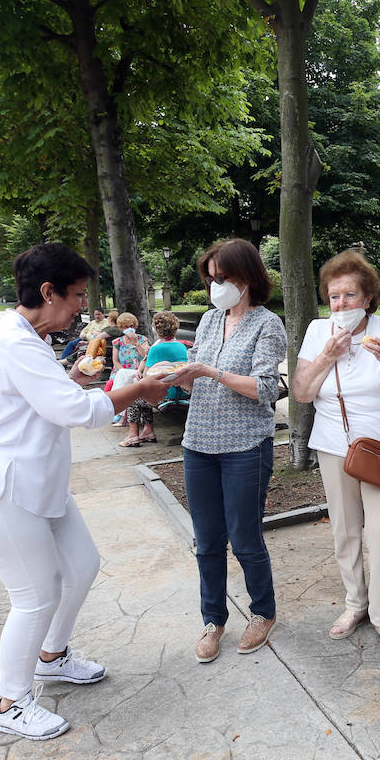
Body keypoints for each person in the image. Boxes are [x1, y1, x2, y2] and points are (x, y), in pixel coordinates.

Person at [0, 242, 171, 740]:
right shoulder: (13, 344)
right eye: (77, 296)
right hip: (1, 487)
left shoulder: (28, 339)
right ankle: (12, 702)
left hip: (38, 481)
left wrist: (74, 378)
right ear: (48, 292)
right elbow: (76, 412)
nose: (82, 307)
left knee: (82, 565)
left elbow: (50, 398)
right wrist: (140, 390)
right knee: (35, 593)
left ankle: (53, 656)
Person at [293, 250, 380, 657]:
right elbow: (302, 393)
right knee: (345, 531)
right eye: (334, 297)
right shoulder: (317, 331)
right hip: (332, 444)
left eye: (350, 295)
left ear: (367, 298)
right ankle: (355, 604)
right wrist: (329, 354)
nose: (341, 304)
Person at [167, 239, 286, 663]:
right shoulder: (207, 321)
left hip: (244, 446)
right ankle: (213, 620)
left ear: (247, 277)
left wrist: (209, 371)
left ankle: (263, 611)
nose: (215, 285)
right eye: (211, 278)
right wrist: (175, 374)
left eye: (223, 277)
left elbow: (266, 390)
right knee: (208, 541)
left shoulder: (267, 324)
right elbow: (196, 378)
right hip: (198, 442)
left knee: (245, 537)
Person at [119, 310, 189, 447]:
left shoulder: (156, 349)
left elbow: (146, 378)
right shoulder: (182, 346)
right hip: (183, 393)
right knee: (144, 396)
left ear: (157, 329)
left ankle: (133, 435)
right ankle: (148, 431)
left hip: (165, 396)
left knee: (136, 396)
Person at [112, 312, 152, 444]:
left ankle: (119, 414)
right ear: (121, 328)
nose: (128, 329)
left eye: (130, 326)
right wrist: (122, 370)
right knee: (122, 376)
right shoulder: (117, 342)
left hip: (139, 371)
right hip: (122, 371)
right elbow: (115, 361)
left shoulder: (142, 339)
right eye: (125, 327)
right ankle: (122, 415)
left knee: (131, 381)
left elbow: (145, 357)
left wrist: (137, 343)